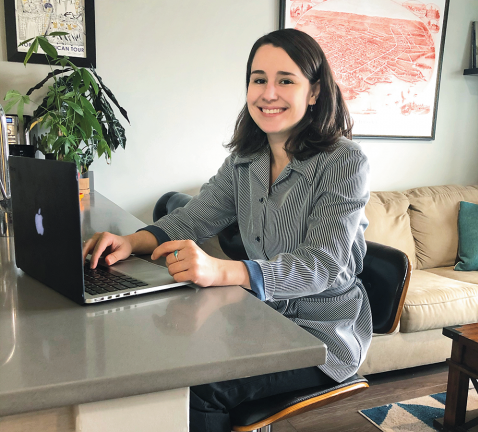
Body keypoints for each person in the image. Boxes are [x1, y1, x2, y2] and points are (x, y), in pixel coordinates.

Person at [83, 28, 372, 432]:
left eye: (285, 80)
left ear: (314, 91)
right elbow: (192, 218)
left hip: (322, 334)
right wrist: (129, 242)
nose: (268, 93)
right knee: (167, 358)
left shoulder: (345, 160)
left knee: (200, 387)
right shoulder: (245, 159)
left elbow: (321, 266)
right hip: (259, 318)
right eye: (258, 79)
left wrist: (221, 271)